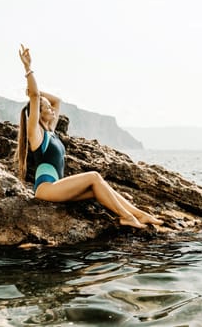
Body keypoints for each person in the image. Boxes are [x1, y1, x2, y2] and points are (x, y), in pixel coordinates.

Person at [16, 45, 163, 229]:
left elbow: (57, 100)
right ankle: (126, 217)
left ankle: (141, 215)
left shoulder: (50, 131)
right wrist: (28, 70)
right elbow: (36, 96)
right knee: (94, 176)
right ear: (38, 113)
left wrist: (32, 93)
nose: (52, 109)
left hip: (58, 187)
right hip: (46, 189)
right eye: (46, 107)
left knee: (99, 188)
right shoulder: (36, 134)